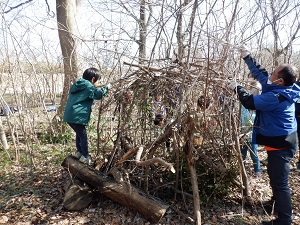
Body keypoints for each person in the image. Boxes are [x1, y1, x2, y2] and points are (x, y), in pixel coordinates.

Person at [229, 46, 300, 225]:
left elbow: (249, 102)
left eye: (274, 73)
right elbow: (261, 73)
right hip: (279, 141)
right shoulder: (281, 87)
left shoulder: (277, 96)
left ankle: (284, 220)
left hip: (281, 144)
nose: (271, 74)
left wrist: (237, 87)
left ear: (280, 81)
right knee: (274, 175)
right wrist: (247, 57)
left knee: (280, 183)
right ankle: (274, 205)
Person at [63, 68, 111, 165]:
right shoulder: (88, 85)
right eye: (97, 81)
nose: (98, 83)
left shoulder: (79, 84)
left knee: (79, 133)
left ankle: (79, 152)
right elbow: (98, 95)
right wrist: (107, 88)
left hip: (69, 115)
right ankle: (85, 156)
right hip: (77, 115)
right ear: (93, 79)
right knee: (83, 135)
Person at [240, 74, 261, 177]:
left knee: (254, 153)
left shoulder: (258, 87)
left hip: (252, 132)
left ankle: (257, 171)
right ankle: (242, 172)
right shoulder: (242, 107)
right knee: (242, 153)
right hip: (242, 132)